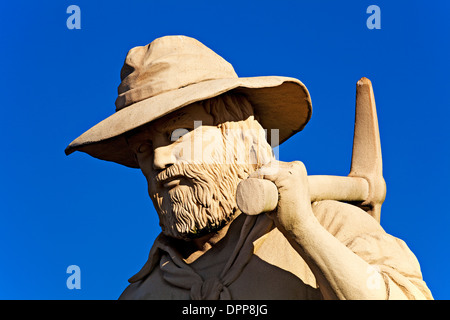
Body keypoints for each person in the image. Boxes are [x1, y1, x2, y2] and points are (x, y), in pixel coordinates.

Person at [65, 35, 433, 300]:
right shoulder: (140, 294)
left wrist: (305, 233)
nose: (159, 160)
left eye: (176, 135)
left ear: (235, 136)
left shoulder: (332, 226)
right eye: (144, 149)